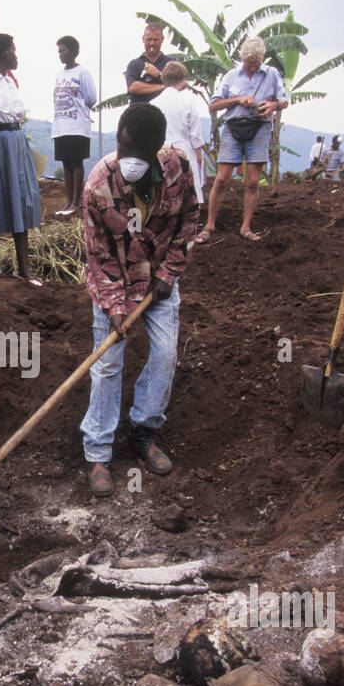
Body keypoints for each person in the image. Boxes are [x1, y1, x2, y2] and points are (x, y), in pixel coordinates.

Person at [80, 103, 196, 496]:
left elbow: (188, 225)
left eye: (135, 152)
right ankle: (97, 452)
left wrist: (167, 274)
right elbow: (96, 254)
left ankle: (143, 432)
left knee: (165, 355)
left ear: (157, 148)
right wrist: (114, 308)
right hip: (114, 283)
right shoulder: (99, 184)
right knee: (108, 365)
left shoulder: (179, 169)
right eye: (120, 147)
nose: (125, 159)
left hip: (159, 283)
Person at [201, 36, 288, 243]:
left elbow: (284, 99)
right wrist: (238, 99)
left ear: (262, 60)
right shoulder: (231, 76)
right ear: (242, 60)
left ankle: (246, 226)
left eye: (255, 65)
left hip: (259, 128)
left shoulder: (272, 74)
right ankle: (209, 224)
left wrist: (273, 106)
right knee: (221, 178)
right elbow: (213, 105)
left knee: (252, 181)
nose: (251, 68)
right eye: (248, 64)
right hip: (233, 127)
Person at [0, 33, 42, 285]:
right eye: (14, 49)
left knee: (21, 198)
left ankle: (24, 269)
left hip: (16, 141)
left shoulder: (10, 82)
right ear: (4, 53)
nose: (16, 54)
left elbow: (16, 113)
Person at [52, 34, 97, 216]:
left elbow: (92, 98)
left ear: (73, 51)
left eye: (63, 50)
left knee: (76, 163)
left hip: (77, 125)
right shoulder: (59, 74)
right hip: (61, 126)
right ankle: (67, 201)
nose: (60, 54)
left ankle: (75, 203)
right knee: (66, 163)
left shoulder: (82, 72)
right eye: (59, 51)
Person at [151, 59, 206, 207]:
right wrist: (199, 155)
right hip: (184, 151)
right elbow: (195, 133)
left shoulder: (154, 103)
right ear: (183, 79)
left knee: (165, 193)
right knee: (189, 195)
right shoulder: (189, 100)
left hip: (161, 153)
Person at [125, 22, 178, 104]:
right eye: (149, 39)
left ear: (162, 39)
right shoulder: (134, 64)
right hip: (140, 113)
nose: (152, 43)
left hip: (166, 113)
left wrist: (159, 74)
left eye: (156, 40)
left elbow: (179, 84)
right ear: (143, 39)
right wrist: (164, 86)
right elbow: (133, 87)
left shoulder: (172, 63)